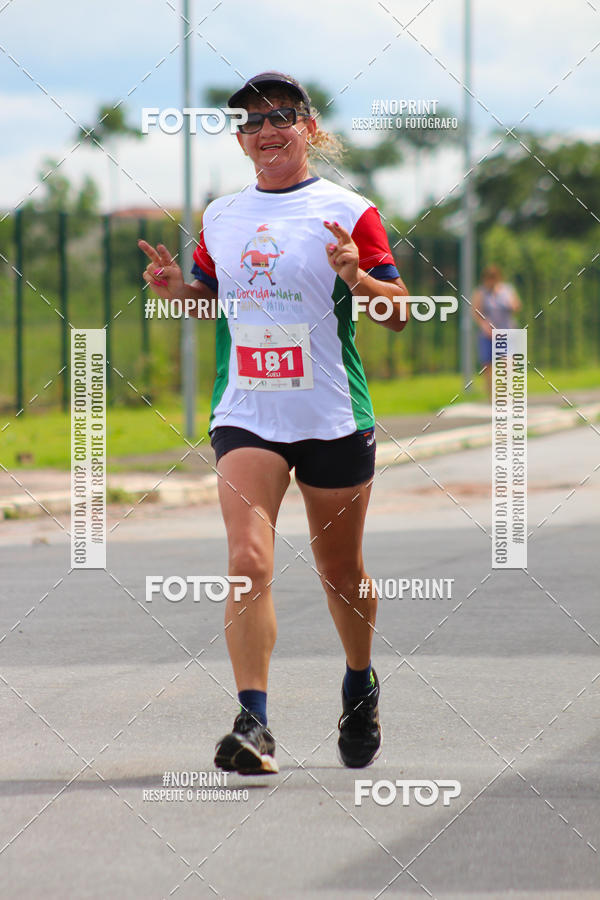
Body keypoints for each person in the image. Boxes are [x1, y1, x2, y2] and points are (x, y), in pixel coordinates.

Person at [138, 71, 409, 774]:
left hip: (330, 415)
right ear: (239, 140)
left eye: (282, 116)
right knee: (247, 562)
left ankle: (359, 684)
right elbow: (209, 299)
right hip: (247, 414)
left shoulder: (350, 210)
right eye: (253, 122)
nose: (268, 129)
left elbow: (398, 311)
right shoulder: (222, 215)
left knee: (340, 572)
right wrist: (178, 292)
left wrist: (359, 278)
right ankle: (253, 723)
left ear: (309, 129)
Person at [472, 264, 521, 400]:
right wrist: (483, 325)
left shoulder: (506, 290)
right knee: (488, 365)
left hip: (507, 331)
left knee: (507, 362)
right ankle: (491, 396)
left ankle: (506, 392)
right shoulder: (480, 292)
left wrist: (512, 305)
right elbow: (476, 311)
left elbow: (517, 305)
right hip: (488, 333)